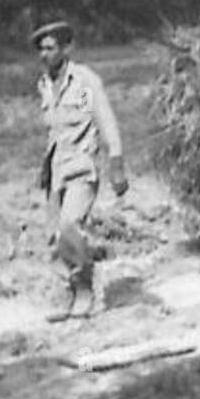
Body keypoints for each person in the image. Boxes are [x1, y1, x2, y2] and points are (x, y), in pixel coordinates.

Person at [32, 21, 128, 321]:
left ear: (66, 49)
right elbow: (53, 133)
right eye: (41, 50)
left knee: (70, 227)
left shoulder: (84, 82)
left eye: (50, 48)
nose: (44, 55)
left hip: (81, 169)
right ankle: (70, 294)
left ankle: (85, 291)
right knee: (55, 237)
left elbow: (103, 118)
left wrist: (116, 162)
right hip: (56, 173)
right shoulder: (45, 84)